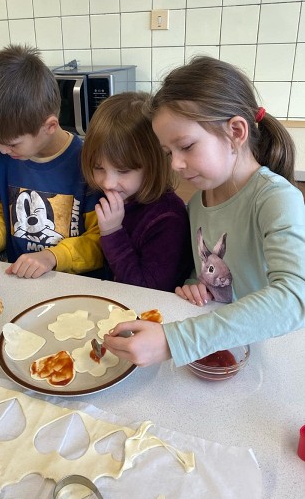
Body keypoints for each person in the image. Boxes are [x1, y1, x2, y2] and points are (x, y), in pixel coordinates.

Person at [104, 56, 305, 367]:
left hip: (274, 354)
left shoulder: (276, 199)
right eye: (168, 152)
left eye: (186, 146)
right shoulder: (199, 202)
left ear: (236, 132)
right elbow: (215, 272)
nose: (175, 164)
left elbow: (294, 299)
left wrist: (176, 340)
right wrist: (196, 285)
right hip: (226, 349)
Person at [0, 44, 102, 280]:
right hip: (20, 281)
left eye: (12, 143)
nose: (2, 150)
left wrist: (51, 257)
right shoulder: (6, 159)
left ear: (50, 126)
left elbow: (100, 242)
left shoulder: (89, 165)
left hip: (75, 285)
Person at [81, 91, 193, 291]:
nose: (107, 183)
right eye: (99, 167)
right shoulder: (114, 194)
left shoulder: (168, 218)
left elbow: (147, 290)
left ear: (153, 165)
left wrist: (113, 233)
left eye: (123, 170)